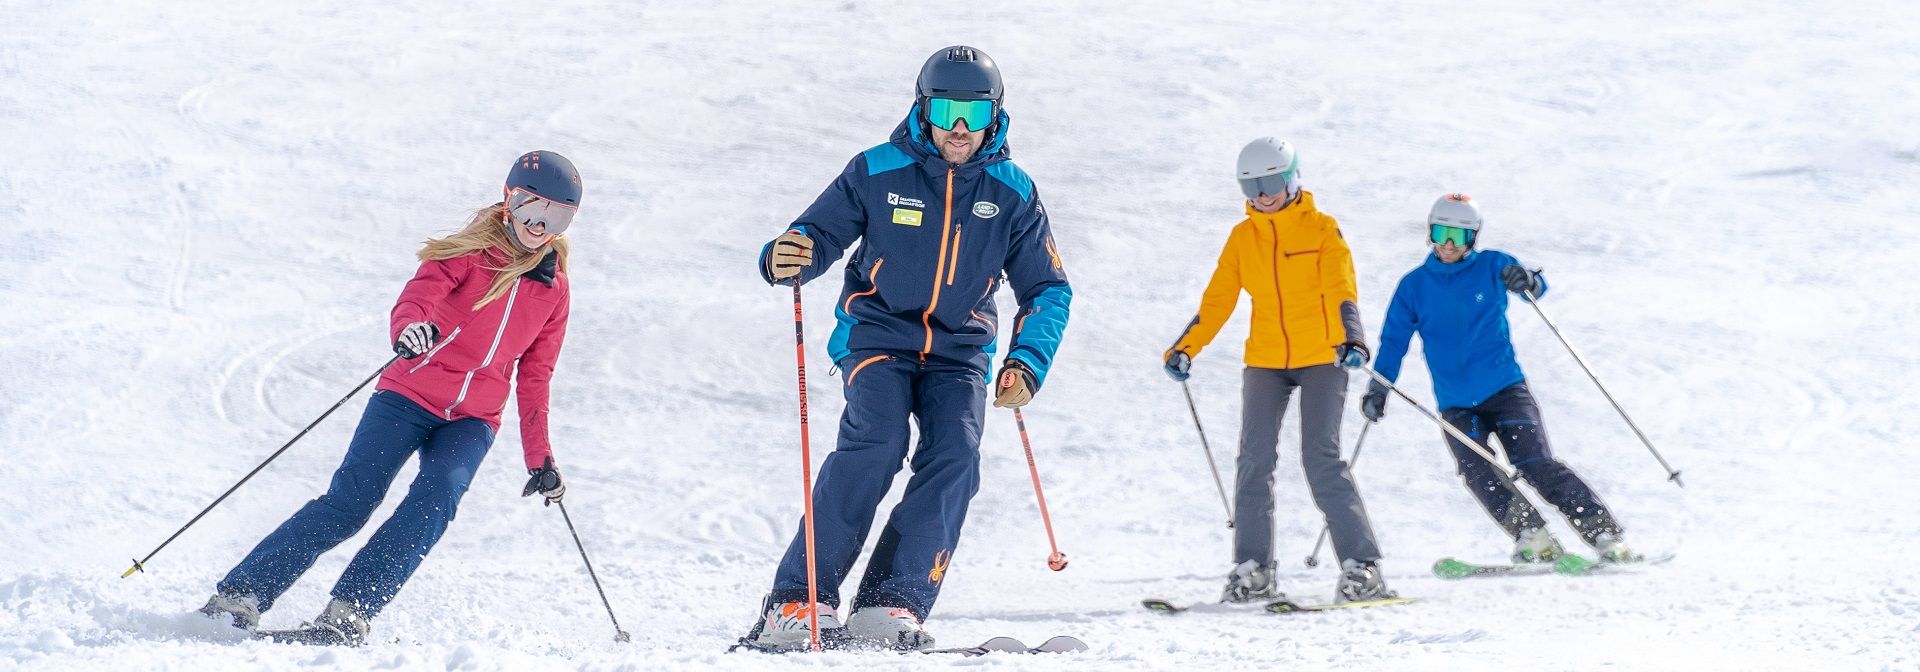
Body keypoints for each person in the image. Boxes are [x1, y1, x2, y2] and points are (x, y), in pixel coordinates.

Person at [744, 45, 1071, 651]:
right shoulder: (877, 169)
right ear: (923, 108)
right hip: (877, 338)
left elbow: (1048, 289)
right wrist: (788, 255)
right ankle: (797, 600)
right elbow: (815, 234)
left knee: (957, 455)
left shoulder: (1013, 190)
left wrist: (1027, 360)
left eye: (975, 114)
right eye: (947, 109)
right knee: (877, 442)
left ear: (996, 116)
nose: (959, 129)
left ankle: (890, 603)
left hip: (960, 352)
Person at [197, 151, 581, 645]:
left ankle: (348, 612)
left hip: (473, 419)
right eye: (531, 206)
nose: (539, 223)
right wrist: (410, 330)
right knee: (351, 503)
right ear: (508, 200)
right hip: (408, 395)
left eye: (557, 215)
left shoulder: (554, 289)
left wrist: (540, 458)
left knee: (437, 499)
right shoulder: (464, 255)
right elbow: (417, 300)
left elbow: (536, 376)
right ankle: (239, 596)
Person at [1162, 138, 1393, 604]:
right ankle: (1254, 569)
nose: (1263, 193)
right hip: (1266, 361)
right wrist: (1186, 347)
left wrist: (1353, 340)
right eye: (1252, 185)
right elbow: (1218, 300)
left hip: (1323, 357)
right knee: (1254, 462)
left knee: (1320, 459)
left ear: (1292, 178)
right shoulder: (1242, 238)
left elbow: (1341, 287)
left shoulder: (1322, 229)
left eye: (1272, 181)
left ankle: (1362, 567)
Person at [1363, 193, 1636, 564]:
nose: (1447, 244)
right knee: (1477, 471)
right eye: (1441, 232)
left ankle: (1603, 534)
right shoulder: (1414, 286)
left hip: (1505, 389)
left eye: (1457, 236)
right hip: (1455, 403)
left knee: (1535, 463)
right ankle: (1532, 536)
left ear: (1472, 239)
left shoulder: (1492, 265)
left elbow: (1533, 287)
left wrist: (1527, 279)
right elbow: (1393, 341)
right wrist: (1380, 386)